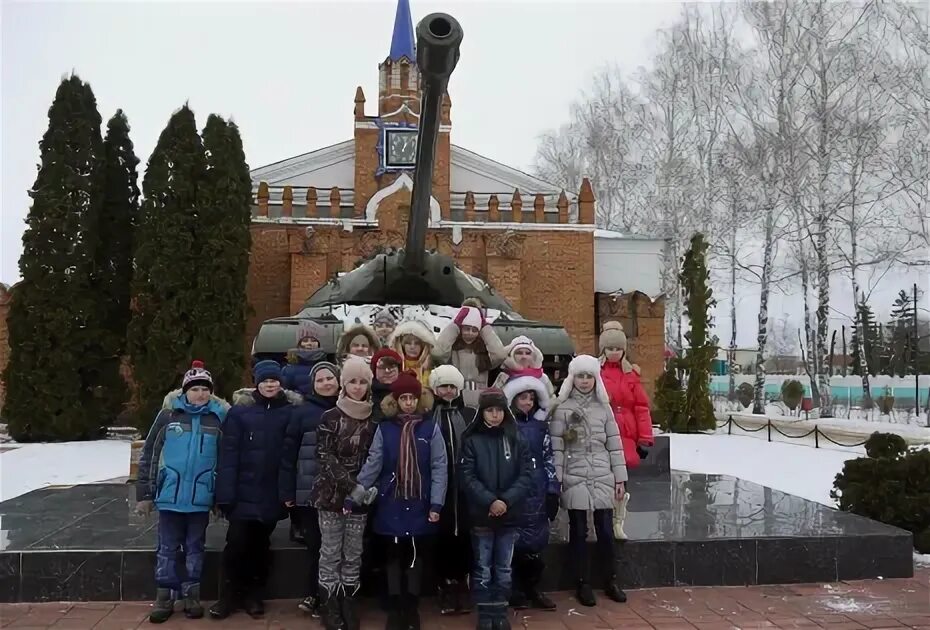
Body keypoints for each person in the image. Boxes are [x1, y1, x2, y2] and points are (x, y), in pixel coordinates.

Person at [136, 361, 229, 624]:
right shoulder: (168, 416)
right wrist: (145, 493)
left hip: (201, 498)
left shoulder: (217, 419)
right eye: (195, 388)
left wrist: (219, 496)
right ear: (184, 390)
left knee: (194, 547)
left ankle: (191, 595)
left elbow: (224, 460)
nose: (200, 394)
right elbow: (150, 454)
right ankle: (164, 596)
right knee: (167, 547)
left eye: (205, 389)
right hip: (170, 496)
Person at [354, 371, 448, 630]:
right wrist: (356, 494)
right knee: (393, 556)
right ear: (395, 401)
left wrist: (437, 503)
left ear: (419, 400)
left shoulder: (430, 428)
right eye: (403, 398)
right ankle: (395, 605)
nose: (408, 402)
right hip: (391, 500)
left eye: (412, 398)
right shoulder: (385, 429)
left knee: (414, 556)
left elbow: (439, 466)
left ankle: (411, 605)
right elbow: (374, 463)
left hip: (421, 500)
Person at [210, 360, 301, 620]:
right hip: (242, 491)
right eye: (265, 380)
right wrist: (225, 494)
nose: (270, 384)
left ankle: (253, 594)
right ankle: (228, 595)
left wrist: (287, 493)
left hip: (271, 492)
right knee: (236, 543)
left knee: (260, 545)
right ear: (256, 383)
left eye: (274, 380)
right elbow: (228, 454)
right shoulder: (240, 413)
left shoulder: (290, 412)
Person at [549, 355, 628, 607]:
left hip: (603, 473)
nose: (584, 381)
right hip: (574, 474)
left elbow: (615, 445)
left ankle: (610, 579)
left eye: (589, 376)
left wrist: (619, 478)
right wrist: (558, 479)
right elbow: (557, 446)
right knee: (579, 529)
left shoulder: (604, 408)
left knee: (605, 529)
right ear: (573, 378)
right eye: (580, 376)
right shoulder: (562, 409)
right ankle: (582, 582)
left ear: (596, 379)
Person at [310, 357, 379, 630]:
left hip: (361, 497)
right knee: (330, 551)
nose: (358, 387)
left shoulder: (374, 418)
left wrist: (368, 486)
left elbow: (376, 456)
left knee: (353, 551)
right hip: (331, 495)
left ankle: (349, 600)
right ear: (344, 383)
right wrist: (352, 486)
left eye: (363, 382)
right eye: (353, 381)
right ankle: (330, 603)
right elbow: (324, 456)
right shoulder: (330, 417)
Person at [459, 388, 534, 630]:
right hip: (482, 515)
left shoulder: (516, 438)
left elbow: (526, 474)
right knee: (483, 567)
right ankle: (484, 612)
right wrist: (490, 501)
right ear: (482, 413)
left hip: (509, 516)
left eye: (499, 410)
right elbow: (467, 476)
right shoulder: (472, 441)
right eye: (490, 410)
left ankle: (500, 611)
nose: (495, 415)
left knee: (503, 567)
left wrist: (506, 501)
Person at [279, 361, 340, 617]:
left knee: (338, 547)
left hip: (340, 493)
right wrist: (287, 492)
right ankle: (314, 593)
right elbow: (288, 455)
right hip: (309, 493)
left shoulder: (348, 409)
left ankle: (336, 595)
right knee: (316, 546)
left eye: (330, 378)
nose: (326, 383)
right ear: (313, 385)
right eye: (320, 380)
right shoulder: (302, 412)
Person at [502, 376, 559, 611]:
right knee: (514, 542)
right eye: (523, 397)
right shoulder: (504, 428)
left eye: (531, 398)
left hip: (537, 489)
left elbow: (548, 458)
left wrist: (553, 489)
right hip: (514, 491)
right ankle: (513, 589)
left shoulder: (539, 427)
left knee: (536, 542)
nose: (527, 402)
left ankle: (533, 587)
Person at [598, 321, 653, 540]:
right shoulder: (595, 372)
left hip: (626, 432)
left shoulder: (631, 375)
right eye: (610, 348)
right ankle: (601, 521)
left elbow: (641, 408)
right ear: (603, 348)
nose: (614, 352)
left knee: (621, 480)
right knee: (602, 478)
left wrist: (645, 438)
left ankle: (618, 522)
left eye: (618, 348)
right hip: (602, 429)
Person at [428, 364, 476, 615]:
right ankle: (444, 582)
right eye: (443, 386)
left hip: (465, 484)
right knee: (443, 534)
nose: (448, 391)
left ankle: (461, 581)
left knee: (464, 534)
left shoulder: (469, 415)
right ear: (435, 389)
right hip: (439, 485)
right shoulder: (428, 416)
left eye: (452, 387)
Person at [433, 299, 506, 407]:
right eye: (466, 329)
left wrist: (485, 326)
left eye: (474, 330)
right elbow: (438, 353)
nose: (470, 333)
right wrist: (455, 325)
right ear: (460, 329)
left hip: (479, 404)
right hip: (456, 402)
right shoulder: (452, 349)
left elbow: (500, 355)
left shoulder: (484, 352)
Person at [282, 319, 329, 397]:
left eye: (313, 340)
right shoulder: (288, 370)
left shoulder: (327, 366)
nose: (309, 343)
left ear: (318, 343)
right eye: (305, 340)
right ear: (299, 343)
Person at [387, 318, 436, 389]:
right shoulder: (394, 365)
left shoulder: (432, 368)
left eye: (417, 343)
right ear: (401, 345)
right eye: (408, 343)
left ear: (424, 346)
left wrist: (427, 370)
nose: (412, 347)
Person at [370, 348, 403, 421]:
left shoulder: (407, 393)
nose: (387, 371)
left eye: (392, 366)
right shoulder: (367, 394)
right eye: (382, 367)